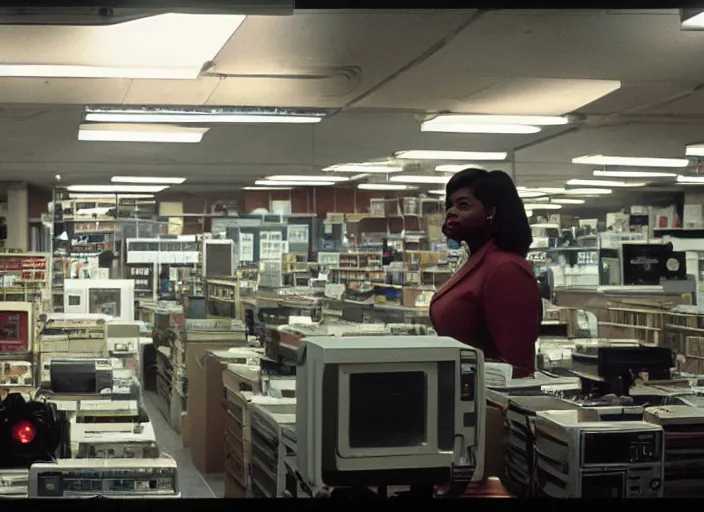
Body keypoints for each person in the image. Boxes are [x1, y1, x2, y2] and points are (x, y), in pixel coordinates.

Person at [429, 169, 542, 378]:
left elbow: (516, 367)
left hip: (487, 402)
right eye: (449, 205)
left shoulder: (506, 269)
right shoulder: (476, 260)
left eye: (463, 205)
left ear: (490, 212)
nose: (451, 212)